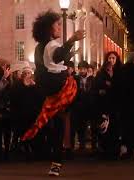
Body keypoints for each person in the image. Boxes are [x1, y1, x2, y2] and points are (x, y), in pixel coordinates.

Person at [22, 10, 85, 176]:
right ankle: (100, 118)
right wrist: (72, 40)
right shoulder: (52, 45)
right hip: (59, 88)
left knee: (56, 128)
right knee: (79, 97)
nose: (59, 27)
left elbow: (52, 61)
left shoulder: (39, 47)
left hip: (49, 91)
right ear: (49, 29)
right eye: (57, 25)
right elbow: (57, 57)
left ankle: (55, 164)